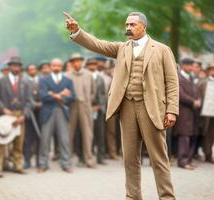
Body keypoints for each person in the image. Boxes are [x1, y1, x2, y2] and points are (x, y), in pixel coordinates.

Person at [64, 11, 179, 199]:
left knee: (159, 158)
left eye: (132, 24)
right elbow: (98, 44)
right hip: (127, 107)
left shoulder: (162, 50)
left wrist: (172, 110)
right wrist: (78, 31)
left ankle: (167, 197)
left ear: (144, 26)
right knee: (129, 159)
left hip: (153, 109)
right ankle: (132, 196)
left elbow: (173, 83)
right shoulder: (121, 48)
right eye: (126, 25)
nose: (128, 28)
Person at [0, 56, 30, 178]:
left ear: (20, 68)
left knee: (18, 143)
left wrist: (24, 115)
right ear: (9, 67)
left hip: (19, 116)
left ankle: (17, 166)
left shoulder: (25, 82)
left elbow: (29, 101)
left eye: (18, 66)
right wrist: (3, 108)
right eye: (13, 65)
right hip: (5, 115)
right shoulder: (0, 81)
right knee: (1, 142)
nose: (16, 68)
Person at [38, 58, 75, 173]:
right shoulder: (44, 80)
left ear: (61, 66)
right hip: (47, 112)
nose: (56, 68)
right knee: (45, 139)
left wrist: (53, 94)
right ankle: (43, 164)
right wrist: (60, 95)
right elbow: (43, 96)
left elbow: (72, 97)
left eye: (58, 66)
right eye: (54, 65)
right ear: (50, 66)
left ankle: (66, 164)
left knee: (64, 139)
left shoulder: (68, 81)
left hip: (62, 111)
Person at [67, 53, 97, 168]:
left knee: (87, 133)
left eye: (79, 61)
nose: (77, 63)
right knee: (69, 133)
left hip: (85, 106)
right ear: (71, 63)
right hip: (72, 106)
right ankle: (67, 160)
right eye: (74, 61)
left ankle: (89, 159)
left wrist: (88, 101)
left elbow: (93, 92)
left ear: (82, 62)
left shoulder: (89, 75)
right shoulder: (67, 76)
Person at [175, 57, 200, 170]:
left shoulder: (191, 78)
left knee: (192, 135)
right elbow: (180, 95)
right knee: (184, 136)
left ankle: (188, 159)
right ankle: (182, 161)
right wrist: (193, 101)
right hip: (184, 111)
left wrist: (198, 100)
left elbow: (197, 92)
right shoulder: (178, 77)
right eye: (189, 65)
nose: (191, 67)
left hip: (193, 111)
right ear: (184, 65)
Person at [86, 58, 107, 165]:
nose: (92, 66)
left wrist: (100, 106)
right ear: (87, 66)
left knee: (100, 133)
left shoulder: (99, 78)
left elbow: (103, 94)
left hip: (98, 110)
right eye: (90, 64)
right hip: (86, 109)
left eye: (94, 64)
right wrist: (89, 106)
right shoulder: (84, 76)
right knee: (87, 134)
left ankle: (100, 157)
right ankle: (86, 157)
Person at [23, 64, 42, 169]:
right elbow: (26, 97)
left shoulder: (41, 80)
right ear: (27, 71)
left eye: (34, 69)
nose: (32, 71)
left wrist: (41, 104)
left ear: (37, 70)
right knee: (28, 139)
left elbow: (44, 93)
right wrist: (33, 104)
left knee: (39, 137)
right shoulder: (24, 82)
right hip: (29, 113)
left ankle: (39, 161)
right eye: (30, 69)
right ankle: (27, 160)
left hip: (41, 113)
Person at [198, 63, 214, 163]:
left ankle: (209, 153)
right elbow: (199, 95)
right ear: (208, 71)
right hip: (205, 113)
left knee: (212, 134)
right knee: (206, 133)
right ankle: (207, 154)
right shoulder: (203, 82)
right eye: (212, 70)